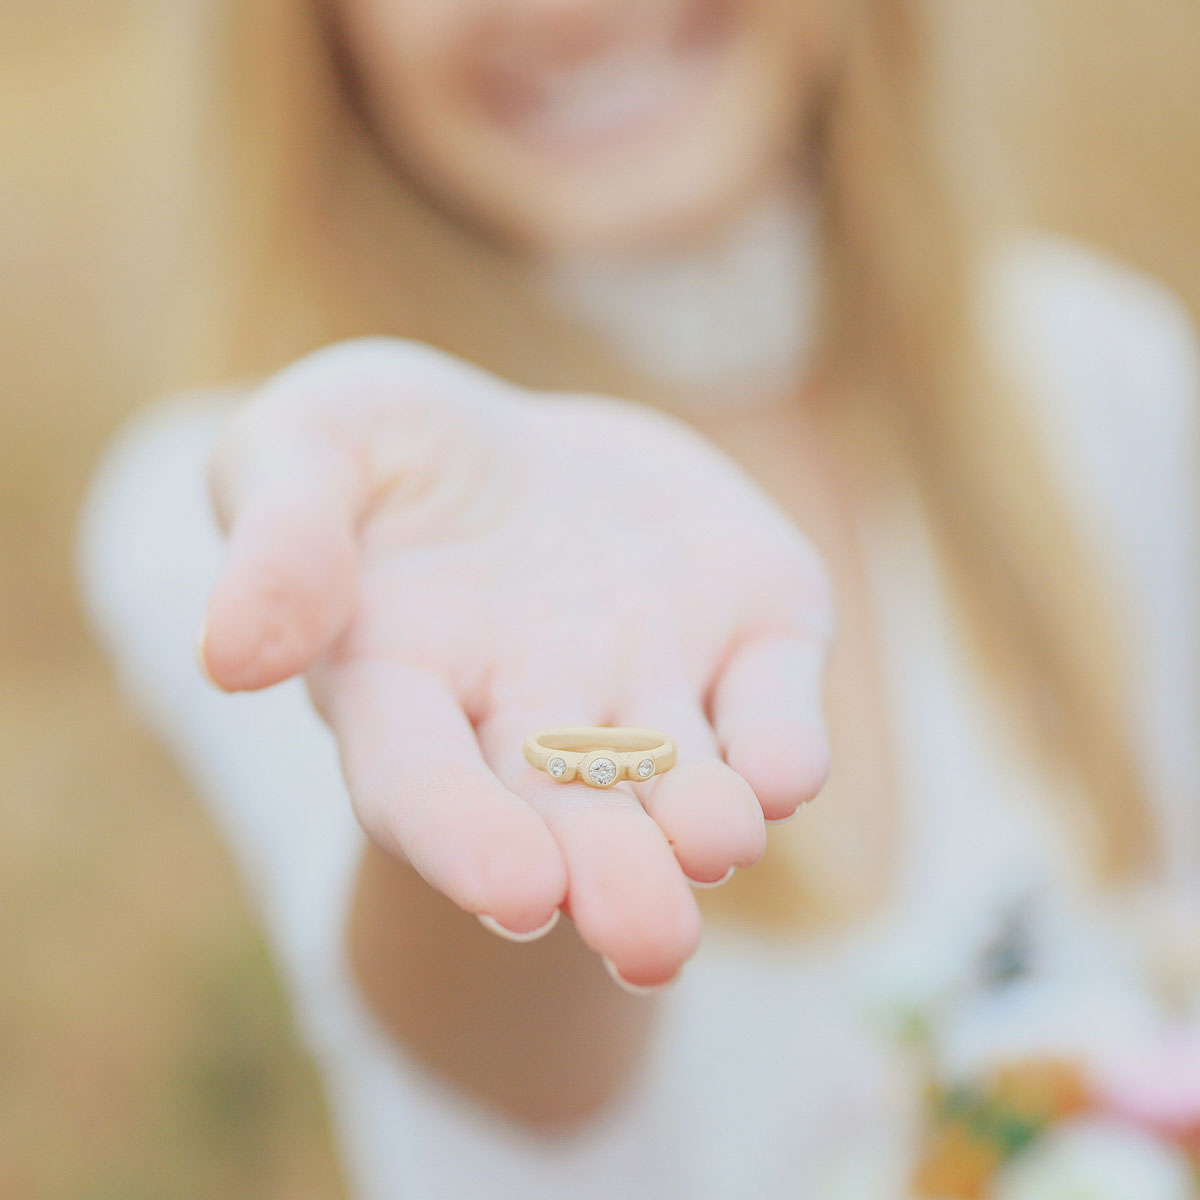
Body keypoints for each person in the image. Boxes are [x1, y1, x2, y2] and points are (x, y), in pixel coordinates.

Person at [78, 0, 1200, 1196]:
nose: (573, 9)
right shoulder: (263, 505)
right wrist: (472, 721)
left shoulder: (1097, 368)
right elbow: (516, 1070)